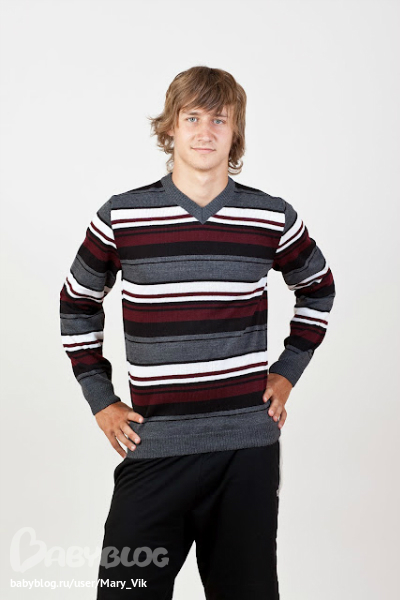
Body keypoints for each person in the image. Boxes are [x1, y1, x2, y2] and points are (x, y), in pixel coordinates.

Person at [59, 65, 336, 599]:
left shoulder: (270, 216)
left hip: (245, 453)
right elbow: (77, 304)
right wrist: (101, 399)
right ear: (171, 128)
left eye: (219, 119)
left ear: (235, 132)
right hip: (155, 446)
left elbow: (318, 289)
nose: (205, 131)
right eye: (192, 118)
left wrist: (286, 373)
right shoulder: (122, 215)